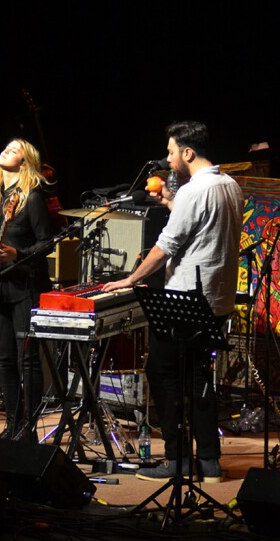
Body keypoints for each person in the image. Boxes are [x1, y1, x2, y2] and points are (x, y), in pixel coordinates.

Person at [102, 121, 243, 483]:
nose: (168, 158)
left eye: (170, 151)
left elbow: (168, 245)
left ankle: (178, 460)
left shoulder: (195, 191)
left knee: (162, 374)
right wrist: (168, 200)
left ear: (187, 152)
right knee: (197, 378)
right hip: (216, 298)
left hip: (184, 298)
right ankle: (209, 462)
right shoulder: (228, 185)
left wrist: (131, 279)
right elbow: (202, 227)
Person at [0, 138, 56, 441]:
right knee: (4, 359)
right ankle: (12, 425)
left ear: (24, 161)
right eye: (5, 145)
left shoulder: (31, 197)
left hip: (26, 286)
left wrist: (16, 255)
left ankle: (28, 430)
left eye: (15, 148)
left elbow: (48, 242)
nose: (7, 148)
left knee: (27, 360)